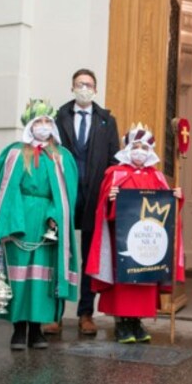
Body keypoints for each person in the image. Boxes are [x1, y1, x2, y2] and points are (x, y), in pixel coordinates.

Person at [0, 99, 80, 350]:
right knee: (18, 273)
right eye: (38, 121)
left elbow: (68, 193)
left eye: (47, 121)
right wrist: (13, 222)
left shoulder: (62, 157)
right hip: (19, 222)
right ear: (30, 125)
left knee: (42, 276)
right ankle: (18, 329)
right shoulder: (13, 153)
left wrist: (53, 221)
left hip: (47, 223)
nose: (43, 126)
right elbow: (5, 189)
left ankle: (37, 329)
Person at [86, 123, 185, 343]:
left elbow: (166, 212)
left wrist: (176, 197)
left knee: (144, 281)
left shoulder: (157, 177)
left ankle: (137, 322)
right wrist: (110, 200)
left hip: (148, 244)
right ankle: (122, 322)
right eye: (136, 146)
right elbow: (103, 207)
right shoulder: (114, 174)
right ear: (128, 148)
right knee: (124, 283)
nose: (140, 151)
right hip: (122, 242)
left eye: (144, 147)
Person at [45, 68, 120, 336]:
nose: (84, 88)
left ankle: (86, 313)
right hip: (63, 195)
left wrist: (111, 190)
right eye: (79, 84)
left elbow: (114, 160)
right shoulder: (58, 117)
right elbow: (48, 153)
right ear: (72, 88)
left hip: (94, 198)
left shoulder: (106, 121)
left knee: (90, 256)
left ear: (96, 89)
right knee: (56, 250)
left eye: (88, 84)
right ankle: (52, 313)